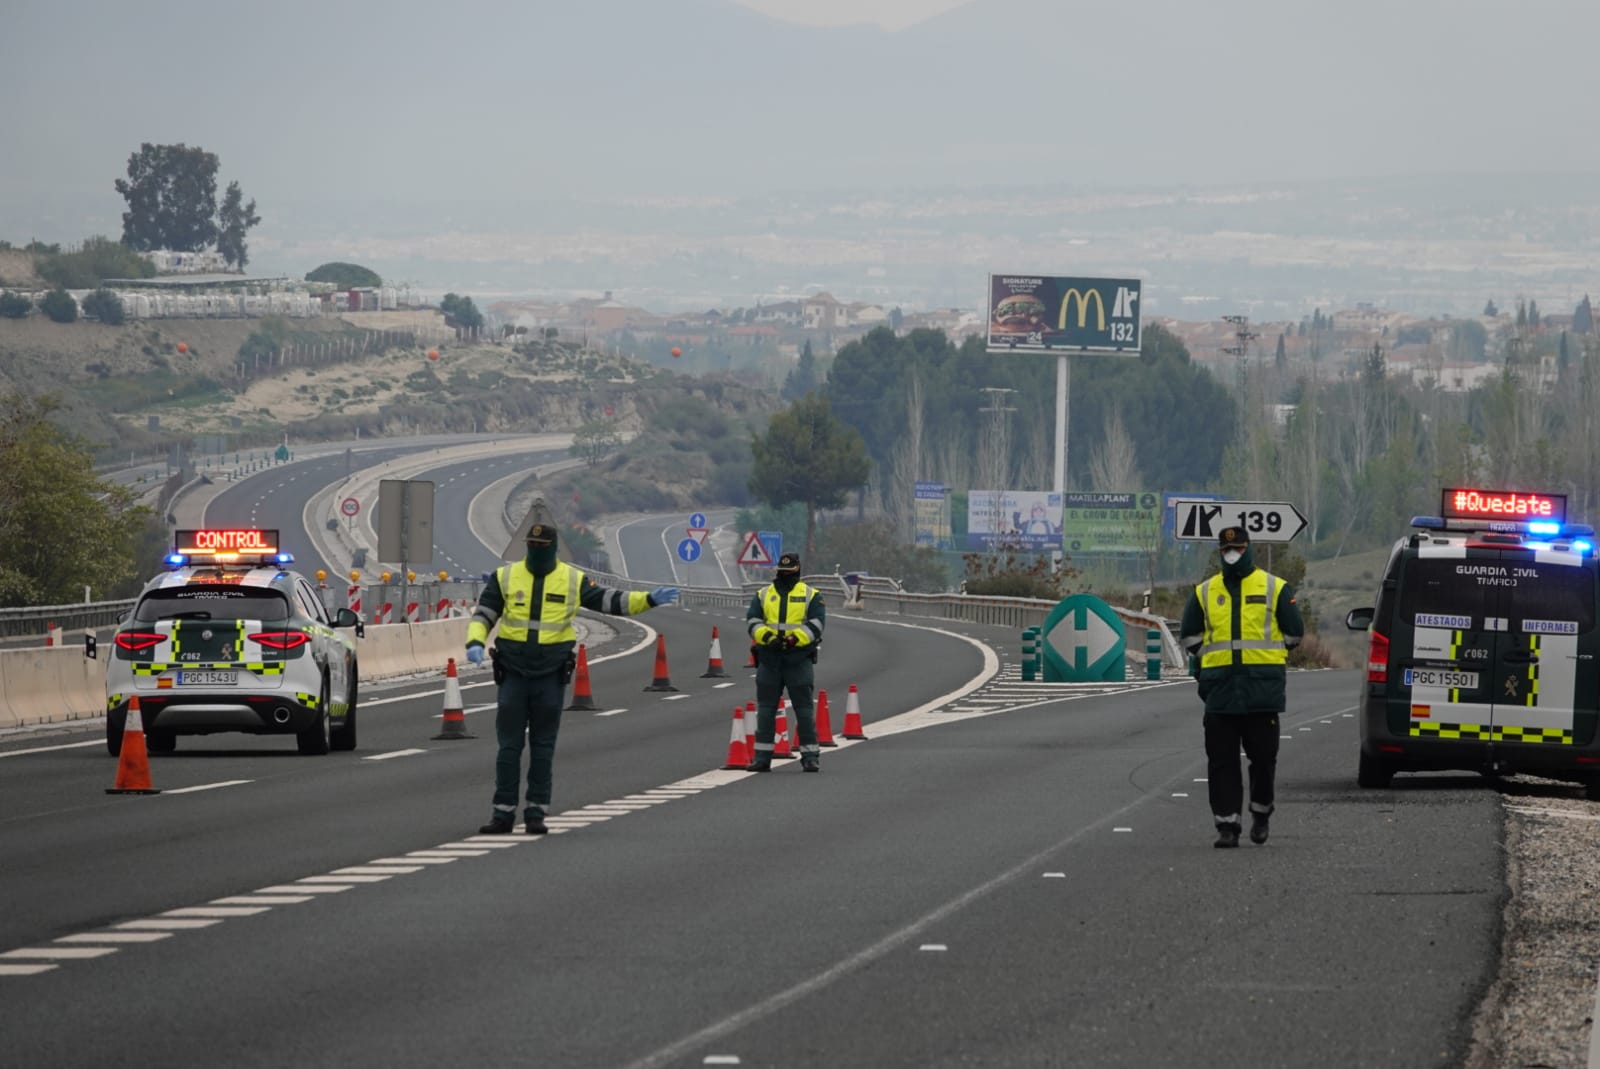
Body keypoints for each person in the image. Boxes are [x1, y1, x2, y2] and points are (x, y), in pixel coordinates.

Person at [466, 522, 678, 834]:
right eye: (532, 545)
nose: (536, 551)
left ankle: (536, 811)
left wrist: (648, 600)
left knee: (542, 746)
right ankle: (503, 814)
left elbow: (610, 601)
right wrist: (474, 641)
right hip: (513, 671)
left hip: (550, 675)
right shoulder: (506, 577)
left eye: (541, 546)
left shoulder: (571, 579)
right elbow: (484, 614)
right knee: (508, 747)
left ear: (552, 548)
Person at [1178, 525, 1304, 849]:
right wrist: (1208, 663)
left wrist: (1267, 658)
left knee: (1263, 760)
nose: (1232, 554)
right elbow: (1190, 636)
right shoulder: (1205, 592)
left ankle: (1260, 814)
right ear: (1220, 552)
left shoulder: (1274, 587)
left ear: (1249, 549)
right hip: (1220, 692)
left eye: (1237, 548)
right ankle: (1227, 825)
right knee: (1222, 762)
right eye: (1226, 550)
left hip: (1262, 693)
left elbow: (1294, 633)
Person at [744, 552, 826, 772]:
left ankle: (810, 756)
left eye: (787, 572)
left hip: (798, 659)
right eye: (782, 572)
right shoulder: (763, 595)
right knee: (767, 709)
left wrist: (793, 639)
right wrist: (767, 637)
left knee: (804, 709)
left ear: (797, 571)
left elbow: (817, 624)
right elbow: (753, 621)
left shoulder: (811, 595)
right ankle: (762, 758)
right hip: (770, 659)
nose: (785, 575)